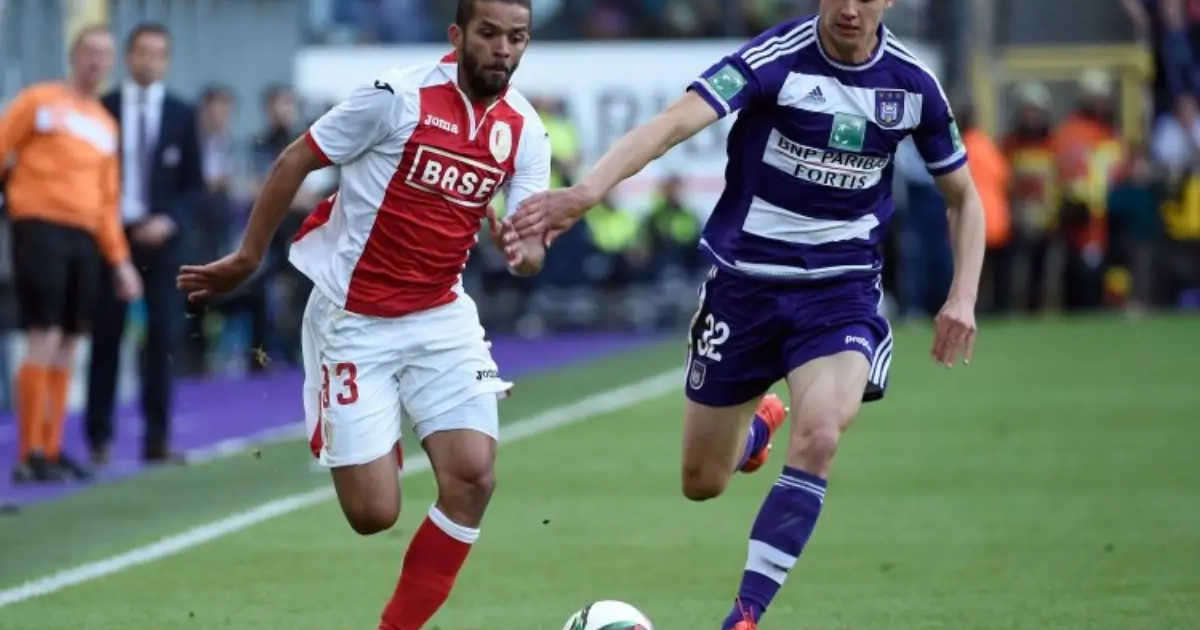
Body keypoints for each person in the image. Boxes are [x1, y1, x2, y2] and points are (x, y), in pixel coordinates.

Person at [510, 1, 985, 628]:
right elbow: (673, 123)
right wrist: (586, 192)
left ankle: (745, 614)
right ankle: (756, 431)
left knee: (819, 435)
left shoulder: (912, 84)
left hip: (841, 294)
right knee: (702, 481)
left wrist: (962, 297)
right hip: (745, 290)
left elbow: (964, 198)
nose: (848, 8)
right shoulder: (775, 59)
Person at [177, 1, 546, 629]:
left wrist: (523, 250)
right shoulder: (395, 99)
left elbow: (532, 246)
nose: (503, 49)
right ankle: (372, 430)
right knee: (374, 514)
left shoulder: (526, 130)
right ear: (457, 35)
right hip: (354, 319)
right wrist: (248, 256)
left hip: (440, 316)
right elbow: (297, 158)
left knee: (474, 479)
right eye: (489, 33)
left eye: (517, 37)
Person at [0, 26, 142, 483]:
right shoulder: (39, 101)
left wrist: (120, 261)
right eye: (90, 52)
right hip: (40, 226)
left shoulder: (106, 126)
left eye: (104, 55)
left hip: (85, 238)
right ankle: (29, 453)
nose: (96, 62)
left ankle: (51, 445)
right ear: (74, 56)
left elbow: (108, 201)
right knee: (43, 333)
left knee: (69, 340)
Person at [87, 22, 204, 466]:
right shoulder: (104, 108)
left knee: (162, 337)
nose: (149, 60)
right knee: (107, 335)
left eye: (158, 53)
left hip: (164, 244)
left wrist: (168, 221)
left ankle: (157, 438)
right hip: (113, 239)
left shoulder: (181, 113)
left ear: (167, 61)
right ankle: (99, 439)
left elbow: (194, 186)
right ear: (128, 56)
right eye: (141, 51)